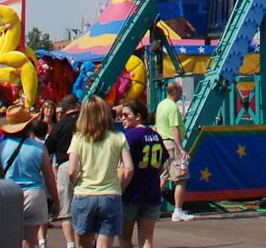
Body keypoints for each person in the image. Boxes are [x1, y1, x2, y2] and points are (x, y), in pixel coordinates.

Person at [70, 96, 134, 248]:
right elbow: (129, 168)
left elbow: (72, 170)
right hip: (110, 194)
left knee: (83, 244)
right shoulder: (118, 137)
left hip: (84, 193)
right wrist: (121, 186)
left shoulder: (78, 138)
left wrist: (76, 183)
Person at [0, 104, 60, 248]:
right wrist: (56, 200)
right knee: (29, 241)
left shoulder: (2, 147)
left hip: (9, 194)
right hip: (34, 194)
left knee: (10, 239)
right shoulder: (39, 148)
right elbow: (49, 178)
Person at [118, 101, 166, 248]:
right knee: (146, 240)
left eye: (126, 115)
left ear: (138, 116)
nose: (122, 118)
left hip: (131, 194)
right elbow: (162, 167)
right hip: (152, 193)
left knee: (124, 238)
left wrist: (118, 190)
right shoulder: (156, 136)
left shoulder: (129, 137)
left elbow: (125, 167)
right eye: (121, 115)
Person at [155, 81, 193, 223]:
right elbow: (174, 128)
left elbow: (159, 126)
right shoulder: (172, 107)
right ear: (175, 91)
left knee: (163, 176)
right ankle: (177, 211)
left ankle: (152, 205)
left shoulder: (161, 105)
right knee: (181, 178)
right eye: (181, 91)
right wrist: (181, 148)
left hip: (163, 143)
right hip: (172, 144)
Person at [50, 96, 84, 248]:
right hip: (85, 164)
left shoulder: (60, 125)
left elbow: (47, 148)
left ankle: (70, 244)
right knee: (85, 205)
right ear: (77, 105)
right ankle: (85, 241)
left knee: (66, 208)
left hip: (64, 165)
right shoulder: (86, 122)